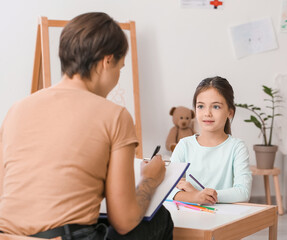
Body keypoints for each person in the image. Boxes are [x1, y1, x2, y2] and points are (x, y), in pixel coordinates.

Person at [0, 12, 173, 240]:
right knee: (161, 218)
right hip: (67, 237)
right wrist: (150, 179)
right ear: (107, 61)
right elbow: (124, 221)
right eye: (120, 68)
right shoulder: (115, 115)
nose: (117, 77)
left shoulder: (17, 109)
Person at [168, 76, 252, 204]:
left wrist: (199, 194)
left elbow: (243, 192)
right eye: (201, 106)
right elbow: (166, 189)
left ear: (230, 112)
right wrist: (195, 197)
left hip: (225, 218)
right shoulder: (184, 145)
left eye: (216, 107)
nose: (207, 113)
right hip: (190, 217)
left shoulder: (237, 147)